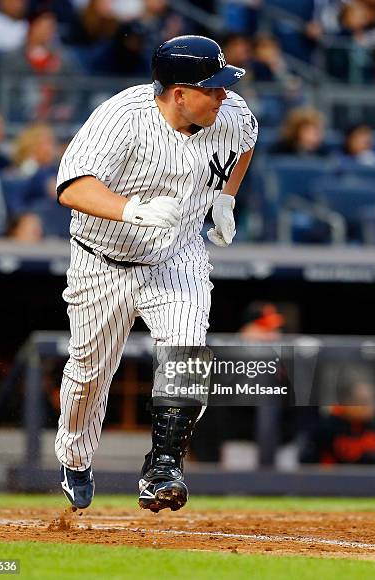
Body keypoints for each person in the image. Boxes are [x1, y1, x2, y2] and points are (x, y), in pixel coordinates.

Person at [55, 34, 257, 512]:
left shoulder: (229, 114)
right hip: (103, 257)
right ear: (178, 93)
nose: (223, 95)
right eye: (213, 88)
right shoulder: (122, 118)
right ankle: (76, 457)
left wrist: (227, 196)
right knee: (88, 375)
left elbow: (246, 138)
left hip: (176, 254)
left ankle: (163, 466)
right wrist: (132, 210)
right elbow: (70, 186)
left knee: (187, 356)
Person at [300, 372, 375, 465]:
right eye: (362, 402)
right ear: (346, 402)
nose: (370, 407)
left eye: (372, 400)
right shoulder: (326, 432)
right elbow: (313, 471)